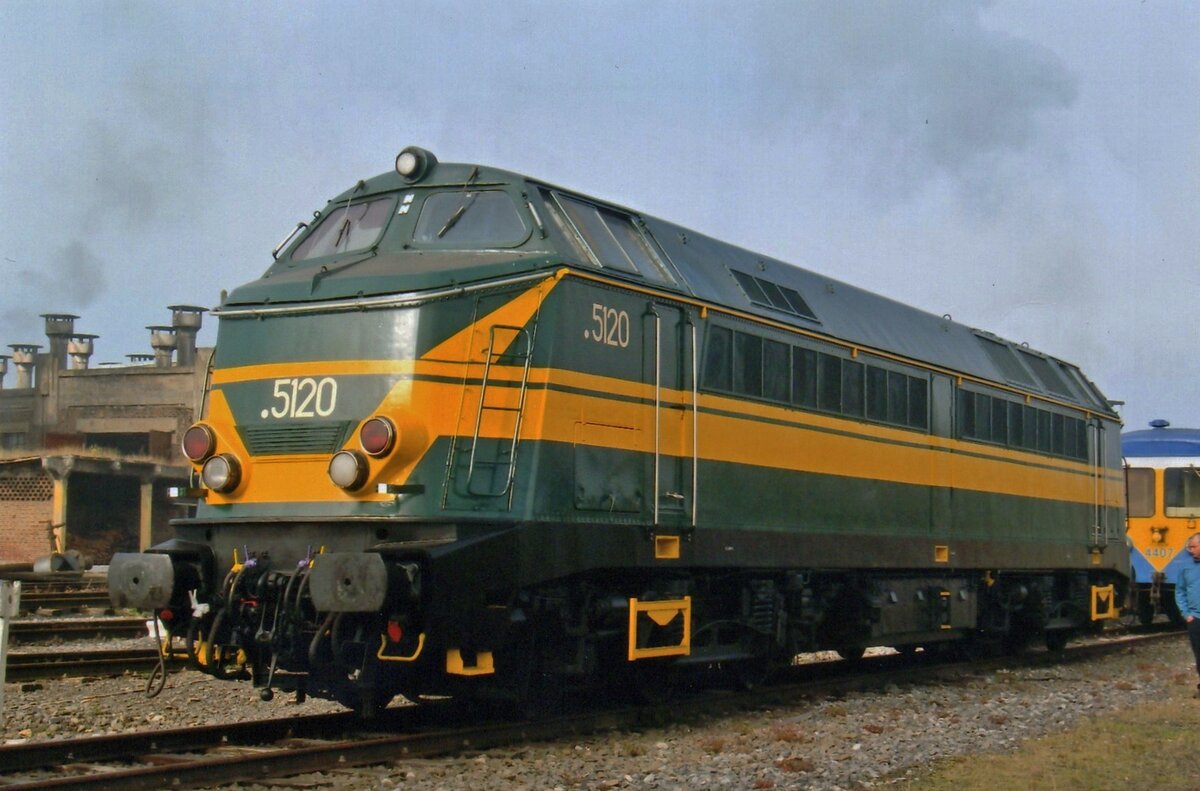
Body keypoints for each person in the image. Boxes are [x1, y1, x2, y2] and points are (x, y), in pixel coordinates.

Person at [1176, 533, 1200, 698]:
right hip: (1195, 618)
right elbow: (1180, 591)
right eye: (1189, 547)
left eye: (1194, 547)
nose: (1191, 550)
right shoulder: (1186, 568)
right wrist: (1186, 613)